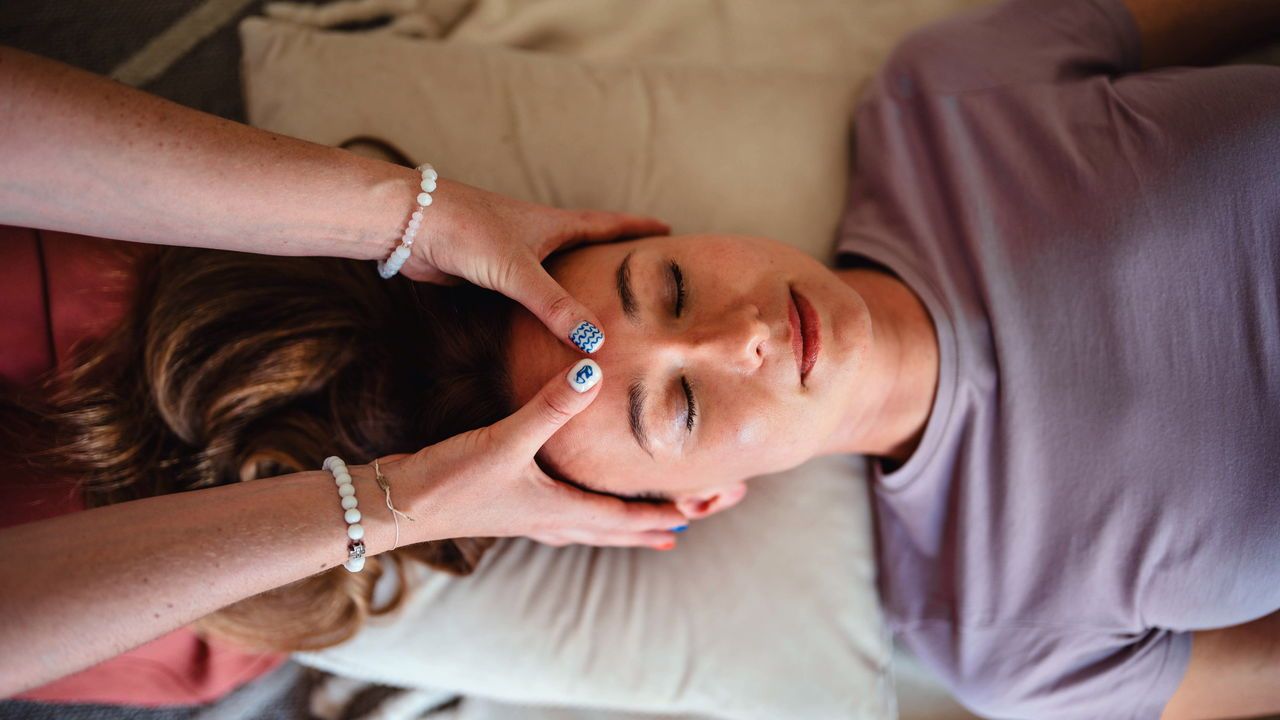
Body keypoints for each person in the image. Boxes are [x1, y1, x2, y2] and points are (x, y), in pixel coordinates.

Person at [4, 0, 1280, 716]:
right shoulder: (1004, 638)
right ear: (692, 508)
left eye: (660, 286)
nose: (733, 337)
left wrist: (423, 214)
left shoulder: (948, 92)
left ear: (654, 229)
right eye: (674, 407)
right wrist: (395, 505)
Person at [0, 44, 686, 698]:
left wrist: (406, 503)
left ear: (679, 503)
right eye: (674, 290)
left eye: (682, 405)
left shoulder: (210, 623)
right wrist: (416, 216)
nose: (747, 338)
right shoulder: (120, 238)